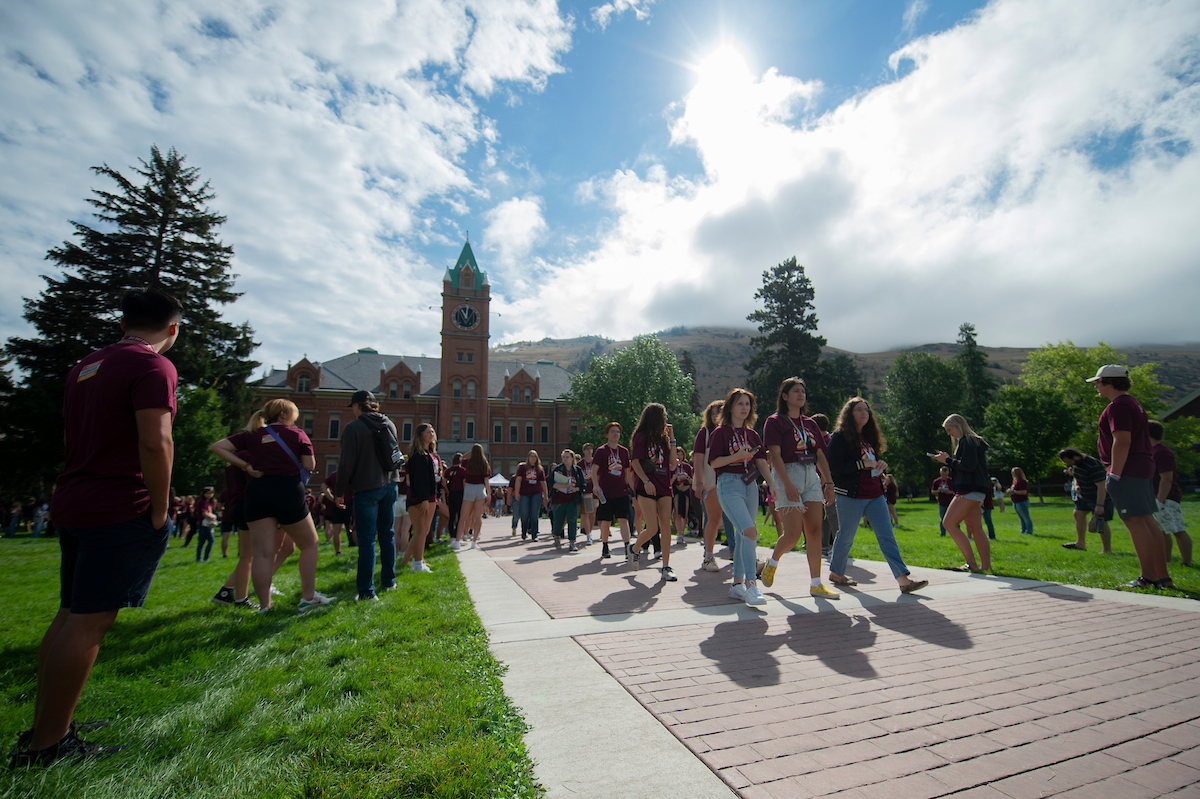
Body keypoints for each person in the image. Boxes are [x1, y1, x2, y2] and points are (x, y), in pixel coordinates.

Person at [12, 287, 181, 765]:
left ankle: (49, 725)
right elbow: (156, 442)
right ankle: (48, 746)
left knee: (70, 613)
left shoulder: (86, 366)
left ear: (123, 323)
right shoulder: (153, 365)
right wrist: (159, 507)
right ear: (173, 329)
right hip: (118, 504)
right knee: (90, 621)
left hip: (75, 497)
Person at [211, 399, 336, 612]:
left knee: (262, 553)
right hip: (288, 491)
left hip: (257, 491)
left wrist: (246, 465)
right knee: (309, 544)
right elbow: (309, 465)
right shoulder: (298, 434)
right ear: (284, 414)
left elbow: (217, 447)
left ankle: (264, 607)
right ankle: (307, 597)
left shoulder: (252, 434)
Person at [827, 398, 928, 593]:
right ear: (849, 414)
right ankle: (836, 573)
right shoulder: (839, 437)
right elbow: (835, 467)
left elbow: (871, 462)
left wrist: (880, 466)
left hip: (875, 494)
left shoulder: (869, 436)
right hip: (851, 495)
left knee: (887, 535)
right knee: (846, 535)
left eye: (866, 410)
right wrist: (862, 465)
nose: (864, 413)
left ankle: (903, 580)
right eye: (858, 410)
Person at [1088, 365, 1173, 589]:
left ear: (1109, 382)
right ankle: (1162, 577)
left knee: (1135, 521)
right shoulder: (1133, 403)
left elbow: (1122, 440)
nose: (1096, 386)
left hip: (1128, 470)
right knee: (1146, 520)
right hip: (1141, 467)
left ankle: (1148, 578)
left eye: (1098, 382)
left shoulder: (1118, 406)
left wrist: (1115, 473)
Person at [760, 377, 839, 598]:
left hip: (810, 474)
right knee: (793, 534)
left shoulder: (810, 424)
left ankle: (816, 583)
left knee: (814, 530)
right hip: (788, 472)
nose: (801, 395)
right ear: (784, 396)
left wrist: (829, 483)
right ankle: (772, 561)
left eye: (803, 391)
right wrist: (786, 484)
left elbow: (820, 455)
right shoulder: (774, 421)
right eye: (795, 391)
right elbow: (775, 456)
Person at [708, 388, 778, 606]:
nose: (744, 408)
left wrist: (772, 484)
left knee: (743, 536)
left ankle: (737, 585)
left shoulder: (753, 434)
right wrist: (736, 456)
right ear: (730, 407)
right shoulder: (720, 432)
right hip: (729, 485)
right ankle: (751, 585)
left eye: (748, 404)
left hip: (751, 486)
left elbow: (761, 462)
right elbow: (714, 462)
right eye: (740, 403)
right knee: (750, 532)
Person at [338, 389, 401, 602]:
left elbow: (346, 463)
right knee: (387, 534)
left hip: (366, 487)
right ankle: (389, 581)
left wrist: (339, 491)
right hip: (390, 485)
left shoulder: (353, 427)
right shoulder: (389, 424)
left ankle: (367, 591)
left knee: (366, 540)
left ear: (357, 406)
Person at [932, 414, 992, 572]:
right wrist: (949, 459)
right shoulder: (972, 441)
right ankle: (985, 566)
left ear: (958, 426)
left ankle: (971, 563)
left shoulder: (967, 441)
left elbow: (968, 466)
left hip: (968, 489)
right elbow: (968, 464)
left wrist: (947, 461)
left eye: (949, 429)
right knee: (975, 527)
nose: (949, 433)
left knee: (948, 523)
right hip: (977, 489)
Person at [629, 403, 679, 581]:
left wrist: (672, 438)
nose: (666, 419)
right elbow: (635, 462)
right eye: (664, 415)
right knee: (652, 528)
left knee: (666, 524)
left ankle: (666, 566)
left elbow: (672, 463)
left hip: (664, 484)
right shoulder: (641, 436)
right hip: (646, 486)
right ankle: (635, 548)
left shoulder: (664, 438)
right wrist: (645, 480)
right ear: (655, 417)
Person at [211, 436, 258, 609]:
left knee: (246, 556)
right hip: (249, 503)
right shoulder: (247, 455)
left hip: (236, 504)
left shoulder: (231, 458)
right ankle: (239, 597)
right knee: (250, 556)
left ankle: (228, 593)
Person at [693, 400, 731, 572]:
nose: (716, 416)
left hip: (731, 479)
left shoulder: (731, 431)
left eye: (719, 412)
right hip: (711, 482)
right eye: (713, 413)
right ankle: (708, 556)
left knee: (738, 519)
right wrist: (699, 483)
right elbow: (698, 460)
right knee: (714, 519)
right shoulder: (705, 433)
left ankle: (741, 554)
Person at [1149, 420, 1191, 566]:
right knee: (1162, 530)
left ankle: (1187, 562)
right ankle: (1166, 561)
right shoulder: (1152, 451)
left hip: (1167, 497)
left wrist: (1160, 501)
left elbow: (1167, 478)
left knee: (1177, 530)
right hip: (1157, 497)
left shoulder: (1161, 452)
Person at [398, 424, 438, 574]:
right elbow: (420, 480)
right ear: (420, 435)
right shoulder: (419, 455)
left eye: (432, 431)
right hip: (420, 498)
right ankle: (417, 564)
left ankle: (408, 561)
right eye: (428, 432)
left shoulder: (429, 454)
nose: (431, 434)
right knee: (420, 531)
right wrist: (424, 499)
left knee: (423, 531)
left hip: (429, 496)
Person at [591, 422, 634, 560]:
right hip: (605, 492)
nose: (616, 434)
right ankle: (605, 546)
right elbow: (594, 470)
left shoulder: (624, 451)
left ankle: (627, 547)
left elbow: (627, 472)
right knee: (606, 521)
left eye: (618, 432)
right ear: (607, 434)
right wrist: (596, 486)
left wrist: (631, 488)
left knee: (623, 520)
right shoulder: (601, 451)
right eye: (613, 432)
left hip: (621, 491)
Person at [1058, 447, 1113, 552]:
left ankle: (1107, 550)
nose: (1069, 465)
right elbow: (1076, 477)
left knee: (1101, 521)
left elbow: (1101, 486)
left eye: (1069, 462)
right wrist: (1076, 485)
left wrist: (1100, 505)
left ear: (1075, 456)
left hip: (1099, 497)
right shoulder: (1076, 464)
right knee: (1078, 514)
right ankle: (1080, 544)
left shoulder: (1092, 465)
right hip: (1084, 496)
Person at [550, 449, 587, 552]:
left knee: (572, 520)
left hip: (573, 499)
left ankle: (572, 542)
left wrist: (576, 489)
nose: (565, 459)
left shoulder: (577, 470)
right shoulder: (558, 469)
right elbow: (551, 483)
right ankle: (557, 537)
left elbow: (583, 485)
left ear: (572, 458)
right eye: (563, 457)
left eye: (567, 457)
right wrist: (563, 486)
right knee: (559, 521)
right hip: (559, 499)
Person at [455, 444, 491, 549]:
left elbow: (461, 458)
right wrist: (488, 493)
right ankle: (474, 541)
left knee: (463, 516)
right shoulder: (484, 463)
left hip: (469, 487)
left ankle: (457, 541)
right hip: (480, 488)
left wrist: (470, 452)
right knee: (477, 516)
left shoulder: (467, 462)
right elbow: (486, 480)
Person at [514, 450, 549, 541]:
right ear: (528, 458)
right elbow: (518, 480)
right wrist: (517, 492)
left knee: (534, 514)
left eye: (535, 456)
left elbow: (543, 482)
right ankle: (524, 531)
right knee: (525, 514)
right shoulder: (522, 467)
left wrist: (546, 495)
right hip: (524, 493)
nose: (533, 458)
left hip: (536, 493)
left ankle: (534, 533)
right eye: (531, 456)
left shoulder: (539, 469)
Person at [671, 446, 694, 542]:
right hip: (677, 490)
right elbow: (669, 482)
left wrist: (687, 477)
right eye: (677, 454)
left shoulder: (687, 467)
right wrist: (674, 477)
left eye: (681, 454)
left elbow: (692, 481)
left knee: (685, 513)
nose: (679, 456)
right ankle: (679, 534)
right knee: (677, 513)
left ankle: (682, 532)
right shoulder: (672, 466)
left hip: (686, 490)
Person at [445, 452, 466, 546]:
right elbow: (464, 484)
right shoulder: (462, 470)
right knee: (460, 516)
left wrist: (448, 491)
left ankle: (451, 536)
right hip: (460, 494)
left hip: (451, 494)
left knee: (451, 515)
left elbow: (444, 483)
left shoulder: (448, 470)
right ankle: (458, 535)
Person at [193, 486, 218, 562]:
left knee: (202, 541)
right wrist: (213, 519)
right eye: (207, 493)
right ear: (203, 494)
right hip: (204, 524)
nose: (209, 495)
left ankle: (199, 558)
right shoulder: (202, 502)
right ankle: (206, 558)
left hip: (205, 524)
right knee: (211, 540)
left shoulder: (209, 502)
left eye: (211, 493)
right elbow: (204, 514)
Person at [1005, 468, 1033, 535]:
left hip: (1021, 501)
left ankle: (1029, 530)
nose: (1012, 474)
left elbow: (1024, 492)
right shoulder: (1015, 481)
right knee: (1021, 517)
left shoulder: (1021, 481)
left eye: (1013, 472)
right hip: (1016, 501)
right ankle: (1023, 529)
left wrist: (1013, 491)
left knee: (1026, 517)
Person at [579, 443, 597, 545]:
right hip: (586, 491)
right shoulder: (580, 464)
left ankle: (590, 532)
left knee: (593, 513)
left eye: (590, 449)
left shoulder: (596, 461)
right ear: (584, 451)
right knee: (586, 513)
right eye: (587, 449)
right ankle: (588, 535)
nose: (589, 451)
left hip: (595, 491)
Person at [931, 467, 954, 536]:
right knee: (942, 519)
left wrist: (950, 492)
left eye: (945, 474)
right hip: (942, 502)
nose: (944, 476)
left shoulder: (951, 481)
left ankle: (955, 533)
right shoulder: (936, 481)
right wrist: (939, 490)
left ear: (948, 473)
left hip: (951, 502)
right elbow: (933, 492)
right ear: (940, 473)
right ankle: (943, 533)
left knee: (953, 519)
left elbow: (956, 491)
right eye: (943, 474)